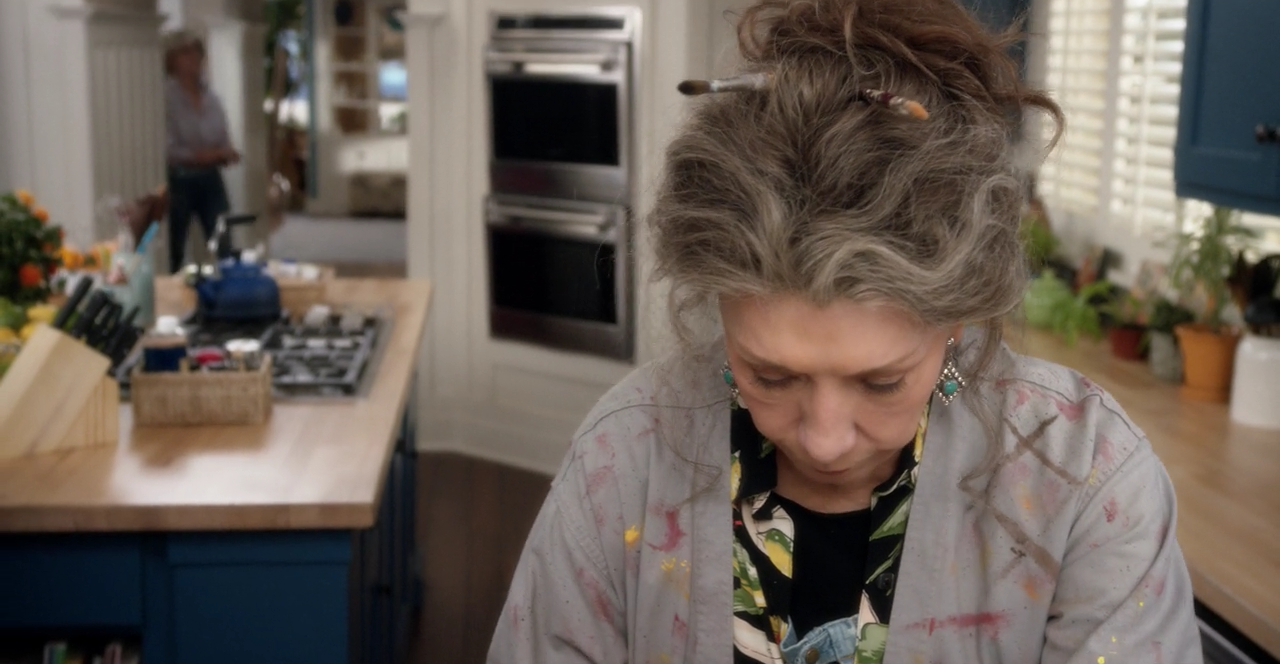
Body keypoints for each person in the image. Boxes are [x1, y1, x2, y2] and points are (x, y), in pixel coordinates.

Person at [486, 1, 1202, 663]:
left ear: (958, 317)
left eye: (881, 382)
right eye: (770, 375)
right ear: (721, 308)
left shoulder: (1084, 482)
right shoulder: (624, 456)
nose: (825, 439)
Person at [163, 29, 239, 273]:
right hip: (179, 181)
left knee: (223, 242)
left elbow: (222, 138)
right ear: (172, 59)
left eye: (197, 51)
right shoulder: (166, 98)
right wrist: (206, 155)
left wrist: (223, 154)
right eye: (186, 52)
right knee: (174, 249)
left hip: (210, 178)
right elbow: (170, 150)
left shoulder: (211, 98)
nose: (193, 58)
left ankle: (228, 288)